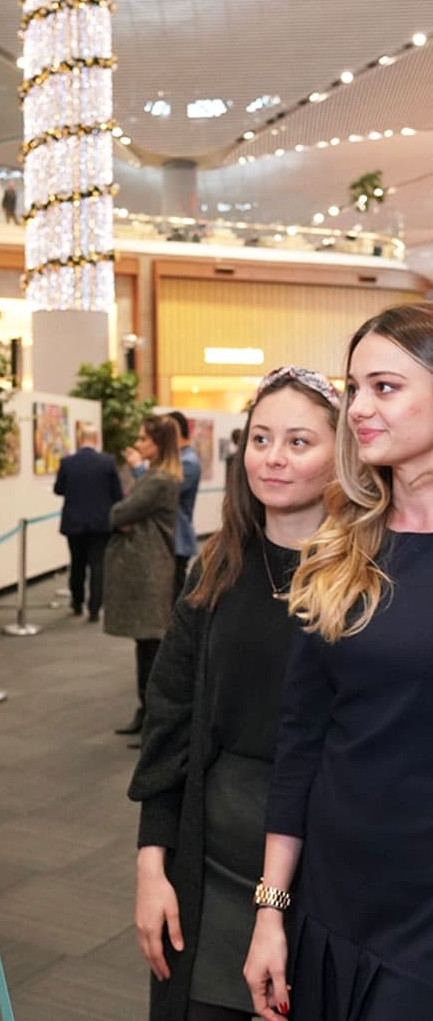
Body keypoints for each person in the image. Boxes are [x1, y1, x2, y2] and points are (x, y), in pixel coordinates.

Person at [128, 367, 339, 1021]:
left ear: (343, 456)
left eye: (299, 442)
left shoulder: (367, 583)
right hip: (208, 862)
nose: (273, 458)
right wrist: (150, 866)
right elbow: (169, 727)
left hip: (324, 865)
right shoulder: (214, 570)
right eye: (261, 438)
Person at [244, 302, 433, 1021]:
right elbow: (300, 747)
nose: (358, 408)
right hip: (335, 902)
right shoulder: (338, 550)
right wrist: (270, 914)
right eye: (354, 388)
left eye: (384, 387)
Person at [104, 415, 181, 736]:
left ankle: (152, 720)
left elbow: (120, 512)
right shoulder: (155, 477)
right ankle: (145, 714)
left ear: (158, 443)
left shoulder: (160, 480)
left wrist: (122, 515)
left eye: (143, 439)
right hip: (148, 567)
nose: (137, 445)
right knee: (146, 646)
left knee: (151, 648)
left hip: (150, 569)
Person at [54, 423, 122, 621]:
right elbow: (116, 493)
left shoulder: (67, 463)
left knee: (77, 563)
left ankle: (77, 602)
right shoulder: (107, 462)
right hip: (100, 523)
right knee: (98, 565)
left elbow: (58, 489)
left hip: (74, 522)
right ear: (96, 439)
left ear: (79, 439)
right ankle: (94, 608)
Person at [168, 410, 202, 603]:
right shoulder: (180, 459)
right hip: (174, 537)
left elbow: (164, 492)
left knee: (174, 598)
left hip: (178, 539)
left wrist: (140, 469)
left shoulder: (187, 462)